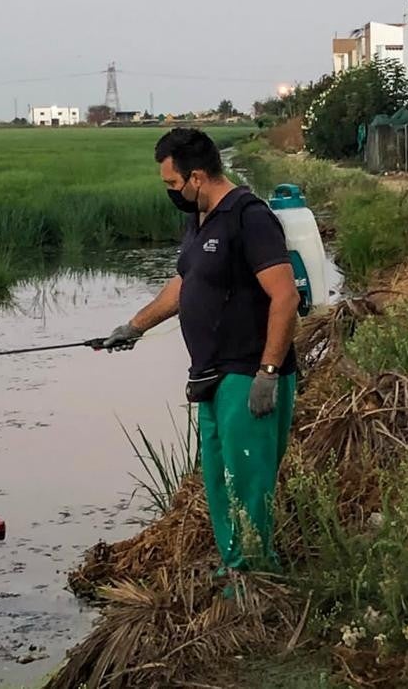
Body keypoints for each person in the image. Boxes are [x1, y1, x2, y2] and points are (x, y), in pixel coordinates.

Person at [104, 128, 299, 575]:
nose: (171, 192)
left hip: (247, 373)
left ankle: (256, 575)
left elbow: (284, 296)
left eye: (172, 184)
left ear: (196, 176)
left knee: (247, 481)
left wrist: (268, 372)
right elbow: (185, 285)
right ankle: (234, 565)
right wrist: (133, 327)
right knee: (218, 479)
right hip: (208, 374)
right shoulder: (198, 220)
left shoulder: (250, 217)